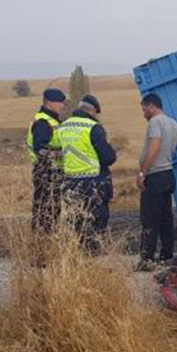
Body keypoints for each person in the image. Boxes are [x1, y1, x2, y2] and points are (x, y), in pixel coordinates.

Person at [54, 94, 116, 253]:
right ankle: (93, 255)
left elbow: (59, 152)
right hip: (93, 182)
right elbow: (108, 157)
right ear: (92, 110)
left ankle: (79, 253)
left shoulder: (63, 126)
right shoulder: (92, 127)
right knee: (97, 221)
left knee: (76, 222)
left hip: (70, 183)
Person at [135, 93, 177, 270]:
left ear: (151, 105)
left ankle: (146, 260)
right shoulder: (174, 123)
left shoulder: (155, 122)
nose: (143, 113)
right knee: (165, 219)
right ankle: (166, 256)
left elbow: (155, 146)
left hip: (155, 176)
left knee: (150, 219)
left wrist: (142, 173)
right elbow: (171, 149)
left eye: (144, 108)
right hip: (168, 174)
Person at [28, 88, 66, 233]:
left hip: (52, 172)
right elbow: (41, 150)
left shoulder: (53, 121)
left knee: (51, 211)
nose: (63, 105)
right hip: (46, 173)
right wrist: (62, 154)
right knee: (46, 211)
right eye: (60, 102)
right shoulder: (44, 123)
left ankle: (46, 240)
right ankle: (43, 242)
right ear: (49, 103)